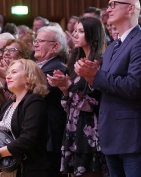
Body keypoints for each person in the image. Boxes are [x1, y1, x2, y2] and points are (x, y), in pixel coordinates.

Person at [75, 0, 141, 176]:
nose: (108, 9)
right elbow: (104, 85)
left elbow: (133, 86)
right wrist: (90, 77)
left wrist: (96, 76)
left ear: (130, 8)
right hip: (111, 131)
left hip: (131, 135)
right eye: (108, 4)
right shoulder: (113, 46)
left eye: (114, 4)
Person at [47, 16, 106, 176]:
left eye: (81, 31)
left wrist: (68, 86)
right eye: (75, 31)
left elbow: (92, 103)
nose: (76, 35)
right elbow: (69, 103)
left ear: (93, 34)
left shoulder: (100, 62)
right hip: (74, 126)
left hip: (91, 131)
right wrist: (64, 87)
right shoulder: (76, 61)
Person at [0, 59, 49, 176]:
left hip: (27, 169)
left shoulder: (34, 102)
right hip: (4, 168)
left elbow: (26, 140)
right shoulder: (8, 104)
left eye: (14, 72)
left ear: (29, 77)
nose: (8, 76)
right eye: (8, 73)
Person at [33, 25, 69, 176]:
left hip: (49, 138)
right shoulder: (41, 66)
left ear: (55, 46)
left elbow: (35, 94)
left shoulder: (56, 68)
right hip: (41, 137)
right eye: (35, 40)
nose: (35, 44)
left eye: (40, 41)